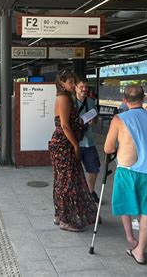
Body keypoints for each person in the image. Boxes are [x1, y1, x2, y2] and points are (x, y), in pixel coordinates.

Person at [104, 85, 147, 265]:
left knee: (126, 203)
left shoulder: (119, 119)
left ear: (124, 100)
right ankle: (140, 251)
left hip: (126, 171)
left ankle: (131, 238)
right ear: (144, 98)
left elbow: (108, 147)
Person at [48, 70, 97, 232]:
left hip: (63, 143)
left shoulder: (66, 98)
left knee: (62, 180)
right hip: (64, 144)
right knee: (67, 181)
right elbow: (64, 125)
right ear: (62, 83)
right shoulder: (63, 98)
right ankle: (65, 219)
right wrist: (75, 145)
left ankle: (59, 214)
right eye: (70, 82)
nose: (73, 85)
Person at [75, 77, 101, 203]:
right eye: (81, 87)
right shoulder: (70, 102)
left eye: (86, 87)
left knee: (93, 168)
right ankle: (77, 194)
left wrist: (93, 121)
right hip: (75, 142)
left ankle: (90, 192)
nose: (84, 89)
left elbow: (95, 119)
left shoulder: (91, 102)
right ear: (75, 87)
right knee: (74, 170)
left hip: (89, 142)